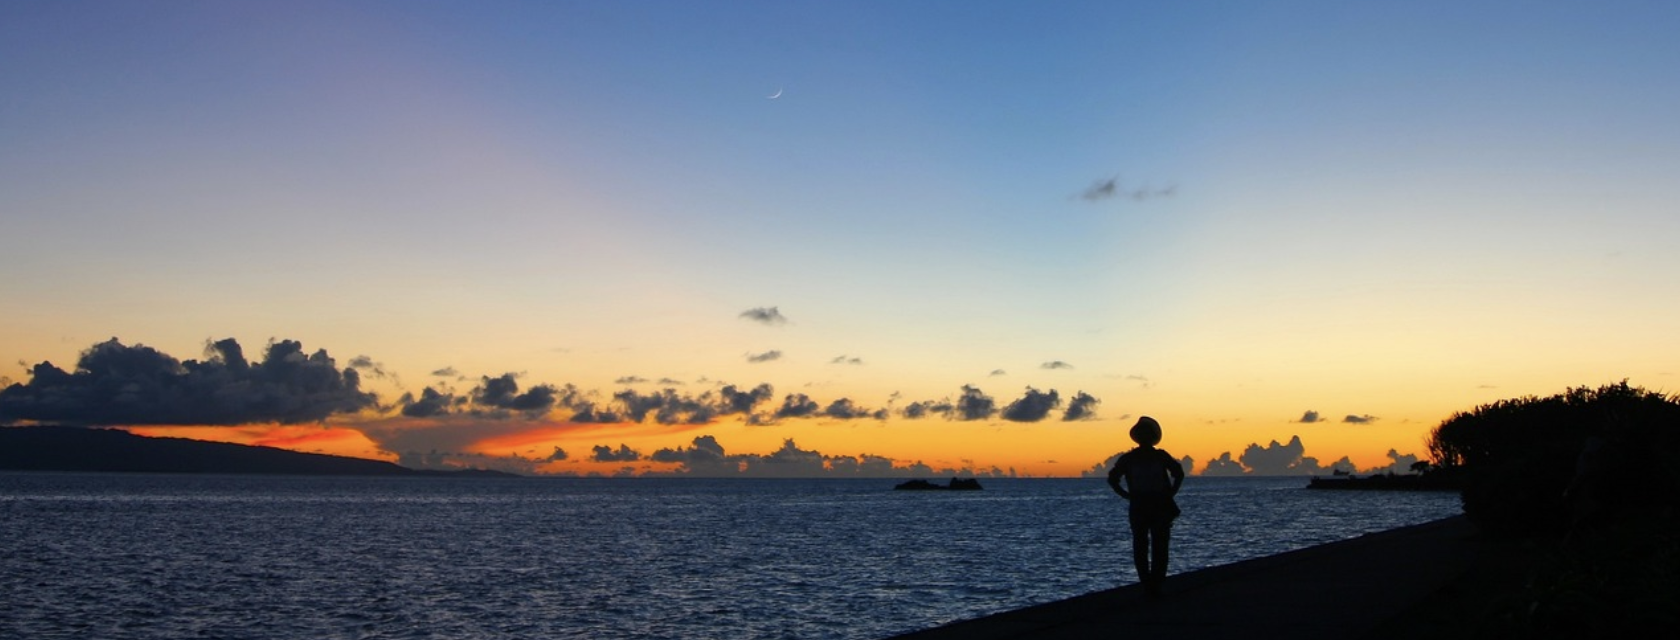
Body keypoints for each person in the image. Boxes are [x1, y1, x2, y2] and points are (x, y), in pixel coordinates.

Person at [1107, 416, 1185, 596]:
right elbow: (1179, 473)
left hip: (1144, 505)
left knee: (1146, 546)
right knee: (1155, 546)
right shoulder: (1153, 456)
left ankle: (1150, 585)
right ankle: (1153, 585)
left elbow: (1113, 479)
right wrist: (1171, 493)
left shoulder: (1133, 458)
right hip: (1150, 505)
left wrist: (1127, 496)